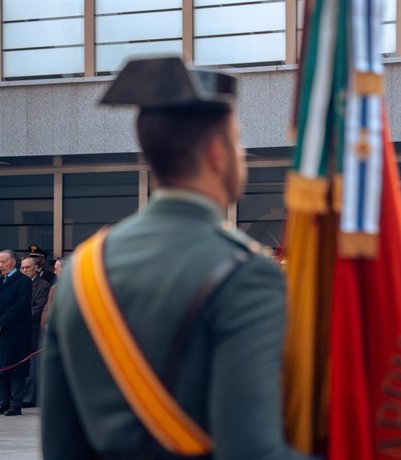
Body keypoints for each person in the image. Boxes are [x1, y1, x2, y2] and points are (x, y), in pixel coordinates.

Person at [40, 57, 312, 460]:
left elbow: (60, 445)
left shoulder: (83, 269)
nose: (243, 153)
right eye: (238, 140)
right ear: (217, 152)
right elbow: (252, 451)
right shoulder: (246, 273)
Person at [0, 249, 32, 416]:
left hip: (16, 332)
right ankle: (3, 401)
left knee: (16, 368)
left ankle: (15, 403)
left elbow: (20, 306)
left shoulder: (23, 281)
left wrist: (2, 321)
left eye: (3, 262)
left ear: (12, 262)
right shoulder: (1, 280)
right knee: (2, 367)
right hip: (3, 333)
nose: (0, 266)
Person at [18, 257, 50, 408]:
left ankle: (29, 397)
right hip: (18, 328)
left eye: (28, 268)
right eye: (22, 268)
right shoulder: (18, 283)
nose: (24, 271)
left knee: (31, 365)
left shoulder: (42, 285)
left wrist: (19, 319)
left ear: (36, 268)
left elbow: (37, 308)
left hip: (32, 328)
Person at [40, 258, 63, 329]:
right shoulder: (54, 288)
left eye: (56, 269)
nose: (55, 272)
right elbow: (46, 309)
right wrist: (45, 323)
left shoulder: (79, 287)